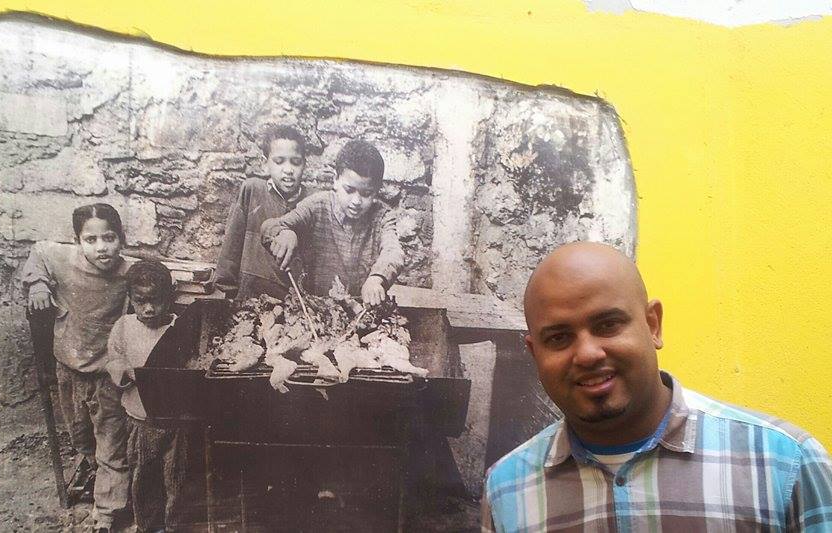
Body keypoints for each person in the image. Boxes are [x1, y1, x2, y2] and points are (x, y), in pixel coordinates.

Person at [482, 241, 832, 532]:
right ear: (534, 352)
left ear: (653, 325)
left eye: (607, 325)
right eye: (558, 338)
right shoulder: (507, 490)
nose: (587, 354)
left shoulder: (783, 464)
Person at [21, 203, 131, 532]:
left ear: (121, 239)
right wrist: (38, 284)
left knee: (112, 442)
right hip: (68, 368)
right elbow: (38, 252)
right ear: (77, 240)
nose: (101, 247)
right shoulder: (62, 259)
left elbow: (157, 277)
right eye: (91, 239)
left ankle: (108, 512)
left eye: (109, 238)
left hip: (106, 375)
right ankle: (98, 472)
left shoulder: (128, 272)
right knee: (81, 436)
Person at [106, 260, 200, 532]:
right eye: (141, 301)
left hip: (174, 421)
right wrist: (128, 373)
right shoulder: (124, 327)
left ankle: (174, 525)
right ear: (131, 299)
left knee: (176, 478)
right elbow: (113, 360)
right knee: (143, 475)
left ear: (168, 298)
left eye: (155, 301)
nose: (148, 308)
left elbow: (190, 364)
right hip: (140, 419)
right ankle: (147, 524)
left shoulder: (178, 327)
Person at [261, 139, 404, 306]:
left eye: (366, 193)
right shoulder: (317, 205)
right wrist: (285, 232)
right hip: (316, 309)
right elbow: (269, 226)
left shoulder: (382, 216)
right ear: (336, 180)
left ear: (377, 189)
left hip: (362, 311)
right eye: (349, 190)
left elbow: (393, 251)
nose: (356, 201)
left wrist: (377, 278)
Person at [214, 125, 310, 301]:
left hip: (293, 303)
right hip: (250, 298)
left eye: (295, 162)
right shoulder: (252, 190)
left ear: (305, 164)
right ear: (265, 163)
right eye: (279, 161)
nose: (288, 170)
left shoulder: (311, 202)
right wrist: (227, 291)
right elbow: (231, 246)